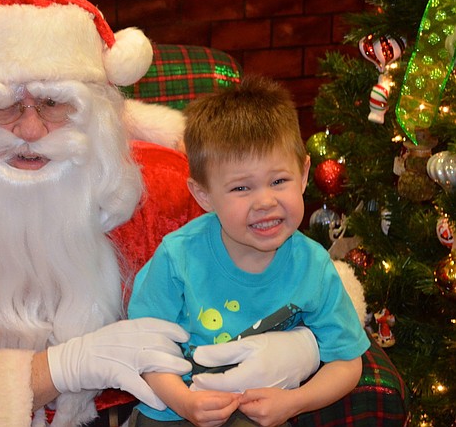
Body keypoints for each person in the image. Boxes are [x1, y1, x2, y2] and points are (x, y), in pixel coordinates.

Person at [0, 0, 327, 427]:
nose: (29, 131)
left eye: (54, 103)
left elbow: (296, 277)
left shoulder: (167, 192)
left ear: (98, 114)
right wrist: (61, 369)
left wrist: (304, 346)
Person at [127, 76, 370, 427]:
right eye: (241, 188)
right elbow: (144, 349)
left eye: (279, 181)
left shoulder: (313, 266)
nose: (265, 202)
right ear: (204, 195)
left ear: (303, 175)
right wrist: (185, 403)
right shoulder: (178, 257)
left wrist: (294, 402)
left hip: (263, 412)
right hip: (172, 409)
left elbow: (347, 362)